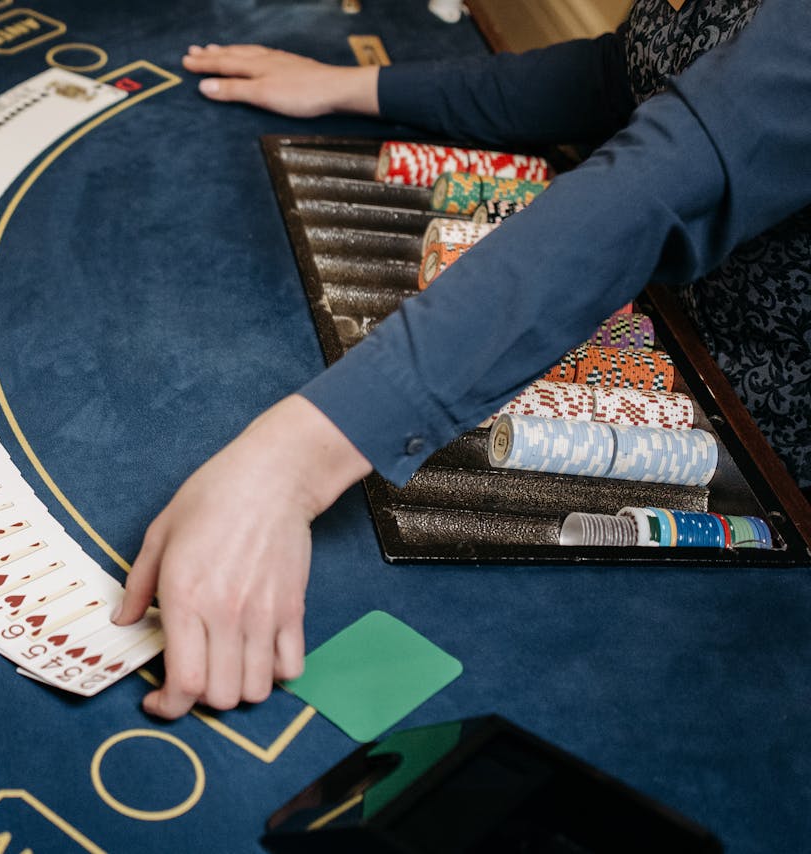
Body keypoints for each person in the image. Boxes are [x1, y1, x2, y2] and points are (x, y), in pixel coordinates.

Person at [113, 0, 811, 720]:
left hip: (767, 467)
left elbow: (656, 187)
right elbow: (621, 78)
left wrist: (288, 463)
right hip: (666, 333)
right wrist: (354, 88)